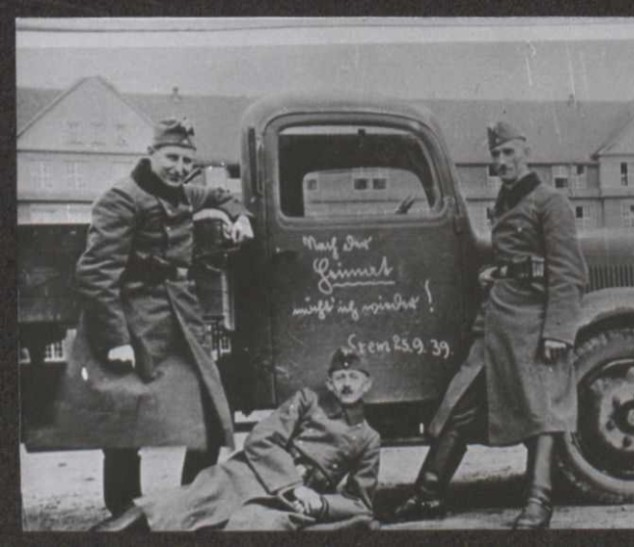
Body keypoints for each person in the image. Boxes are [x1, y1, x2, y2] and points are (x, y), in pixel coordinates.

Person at [41, 117, 254, 517]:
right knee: (126, 423)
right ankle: (125, 512)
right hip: (133, 325)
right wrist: (116, 340)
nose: (179, 168)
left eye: (186, 160)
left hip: (179, 322)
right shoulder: (122, 198)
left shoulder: (183, 192)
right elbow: (96, 274)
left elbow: (218, 195)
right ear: (151, 154)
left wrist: (237, 215)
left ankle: (191, 504)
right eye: (171, 157)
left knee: (210, 415)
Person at [391, 121, 588, 529]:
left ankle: (538, 503)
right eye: (496, 155)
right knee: (460, 405)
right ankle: (428, 495)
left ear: (527, 153)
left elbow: (568, 272)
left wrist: (558, 331)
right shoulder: (505, 203)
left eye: (509, 153)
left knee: (541, 413)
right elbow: (517, 257)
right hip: (497, 323)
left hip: (533, 323)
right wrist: (496, 273)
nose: (502, 161)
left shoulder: (550, 202)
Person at [92, 348, 380, 532]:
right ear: (330, 383)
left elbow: (359, 502)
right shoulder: (308, 400)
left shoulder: (369, 439)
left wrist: (320, 504)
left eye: (353, 378)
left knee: (251, 526)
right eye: (340, 377)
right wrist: (293, 484)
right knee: (178, 504)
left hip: (293, 503)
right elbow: (262, 439)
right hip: (250, 473)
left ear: (366, 385)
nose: (346, 384)